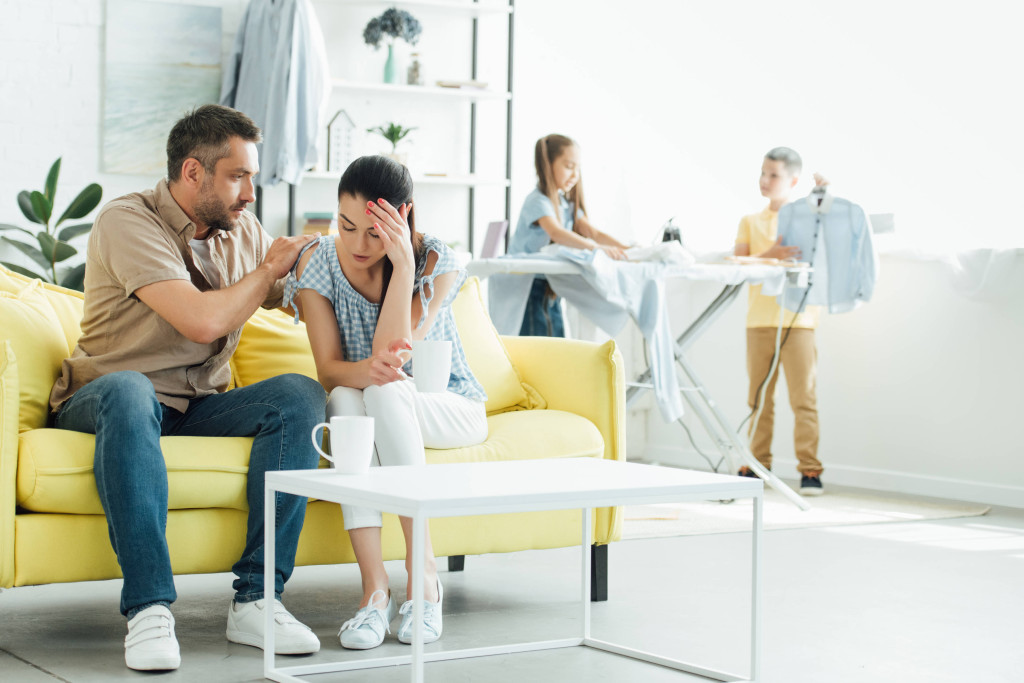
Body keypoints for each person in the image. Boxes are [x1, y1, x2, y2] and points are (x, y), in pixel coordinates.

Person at [48, 105, 325, 671]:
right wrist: (269, 272)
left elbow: (299, 284)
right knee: (129, 390)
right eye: (237, 176)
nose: (250, 193)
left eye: (251, 176)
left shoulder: (238, 229)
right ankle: (149, 608)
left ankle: (257, 598)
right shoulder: (127, 222)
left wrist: (373, 250)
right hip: (107, 398)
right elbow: (201, 320)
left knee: (298, 395)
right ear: (193, 172)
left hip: (196, 405)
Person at [285, 155, 488, 650]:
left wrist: (401, 267)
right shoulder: (318, 263)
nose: (358, 245)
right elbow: (330, 370)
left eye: (375, 233)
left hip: (448, 408)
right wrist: (368, 375)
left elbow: (393, 356)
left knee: (379, 389)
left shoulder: (437, 262)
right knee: (346, 403)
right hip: (370, 400)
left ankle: (424, 580)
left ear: (404, 217)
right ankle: (374, 592)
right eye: (346, 225)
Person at [733, 147, 825, 495]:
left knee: (804, 398)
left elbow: (830, 233)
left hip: (799, 321)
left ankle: (810, 470)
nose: (765, 180)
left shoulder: (807, 219)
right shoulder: (750, 221)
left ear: (793, 181)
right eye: (763, 173)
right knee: (758, 399)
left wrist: (824, 195)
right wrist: (767, 257)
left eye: (773, 175)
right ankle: (756, 464)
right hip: (759, 321)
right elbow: (738, 263)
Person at [506, 133, 630, 336]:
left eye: (578, 168)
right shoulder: (537, 201)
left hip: (551, 283)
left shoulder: (565, 205)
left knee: (557, 339)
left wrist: (626, 249)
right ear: (548, 164)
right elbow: (556, 232)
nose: (575, 175)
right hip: (529, 285)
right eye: (569, 166)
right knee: (538, 345)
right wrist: (598, 248)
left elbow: (593, 232)